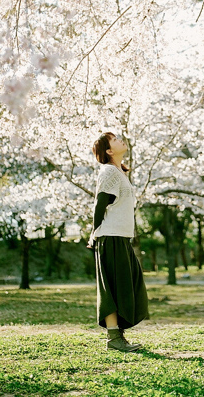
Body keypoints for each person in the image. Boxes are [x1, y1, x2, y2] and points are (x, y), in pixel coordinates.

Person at [89, 132, 149, 352]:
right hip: (110, 236)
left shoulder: (119, 172)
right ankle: (114, 338)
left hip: (120, 237)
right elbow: (99, 204)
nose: (120, 139)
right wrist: (95, 233)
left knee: (128, 285)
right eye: (114, 139)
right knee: (113, 289)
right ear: (108, 150)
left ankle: (117, 336)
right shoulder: (109, 172)